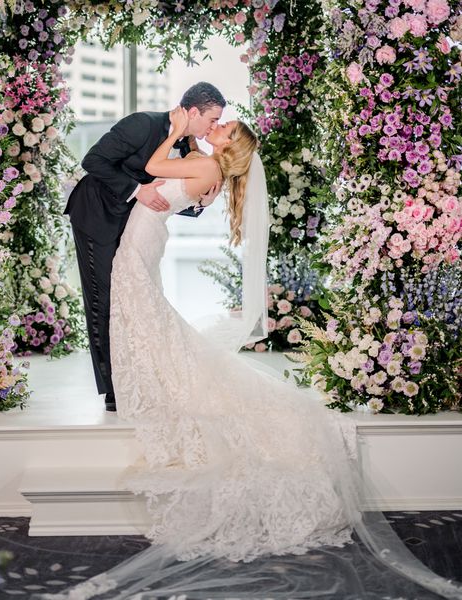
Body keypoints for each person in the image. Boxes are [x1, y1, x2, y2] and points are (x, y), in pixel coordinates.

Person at [40, 108, 462, 599]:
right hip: (147, 235)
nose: (217, 128)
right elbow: (179, 177)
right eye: (218, 123)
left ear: (229, 147)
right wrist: (194, 149)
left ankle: (152, 380)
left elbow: (155, 169)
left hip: (140, 240)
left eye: (225, 129)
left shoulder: (204, 166)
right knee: (143, 312)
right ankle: (148, 377)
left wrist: (176, 133)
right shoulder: (210, 167)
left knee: (140, 309)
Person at [64, 82, 225, 412]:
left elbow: (169, 196)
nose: (212, 128)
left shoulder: (186, 144)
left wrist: (201, 203)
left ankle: (135, 376)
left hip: (134, 226)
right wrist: (138, 190)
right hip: (96, 213)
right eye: (211, 120)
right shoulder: (143, 123)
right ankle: (113, 390)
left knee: (132, 299)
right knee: (103, 298)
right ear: (192, 112)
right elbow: (92, 160)